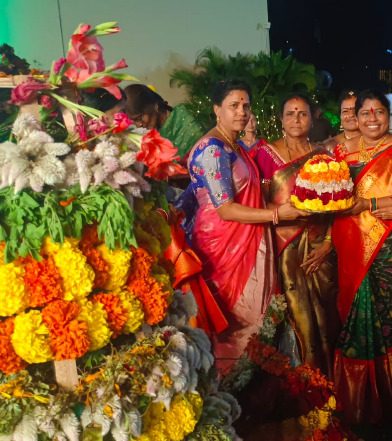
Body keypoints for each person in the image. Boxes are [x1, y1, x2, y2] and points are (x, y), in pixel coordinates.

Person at [175, 80, 306, 372]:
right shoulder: (213, 149)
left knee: (254, 325)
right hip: (221, 250)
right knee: (232, 328)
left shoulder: (234, 146)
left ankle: (250, 396)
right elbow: (226, 209)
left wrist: (289, 209)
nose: (242, 112)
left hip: (246, 241)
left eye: (245, 106)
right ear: (216, 110)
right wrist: (277, 216)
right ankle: (229, 390)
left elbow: (244, 199)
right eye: (233, 105)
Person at [332, 89, 392, 424]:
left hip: (390, 246)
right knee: (355, 314)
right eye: (365, 113)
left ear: (388, 116)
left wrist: (372, 205)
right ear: (354, 117)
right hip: (350, 246)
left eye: (379, 112)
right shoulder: (341, 154)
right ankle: (360, 399)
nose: (372, 119)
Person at [255, 93, 339, 378]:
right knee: (294, 314)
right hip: (283, 246)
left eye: (302, 113)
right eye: (290, 113)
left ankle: (328, 379)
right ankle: (302, 381)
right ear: (281, 119)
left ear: (312, 118)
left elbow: (337, 206)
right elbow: (256, 203)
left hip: (320, 245)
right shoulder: (265, 155)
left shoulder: (325, 156)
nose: (296, 119)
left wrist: (328, 243)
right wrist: (283, 213)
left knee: (326, 314)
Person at [124, 84, 205, 160]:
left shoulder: (184, 116)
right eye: (134, 121)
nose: (138, 125)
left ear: (155, 106)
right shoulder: (151, 138)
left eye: (139, 118)